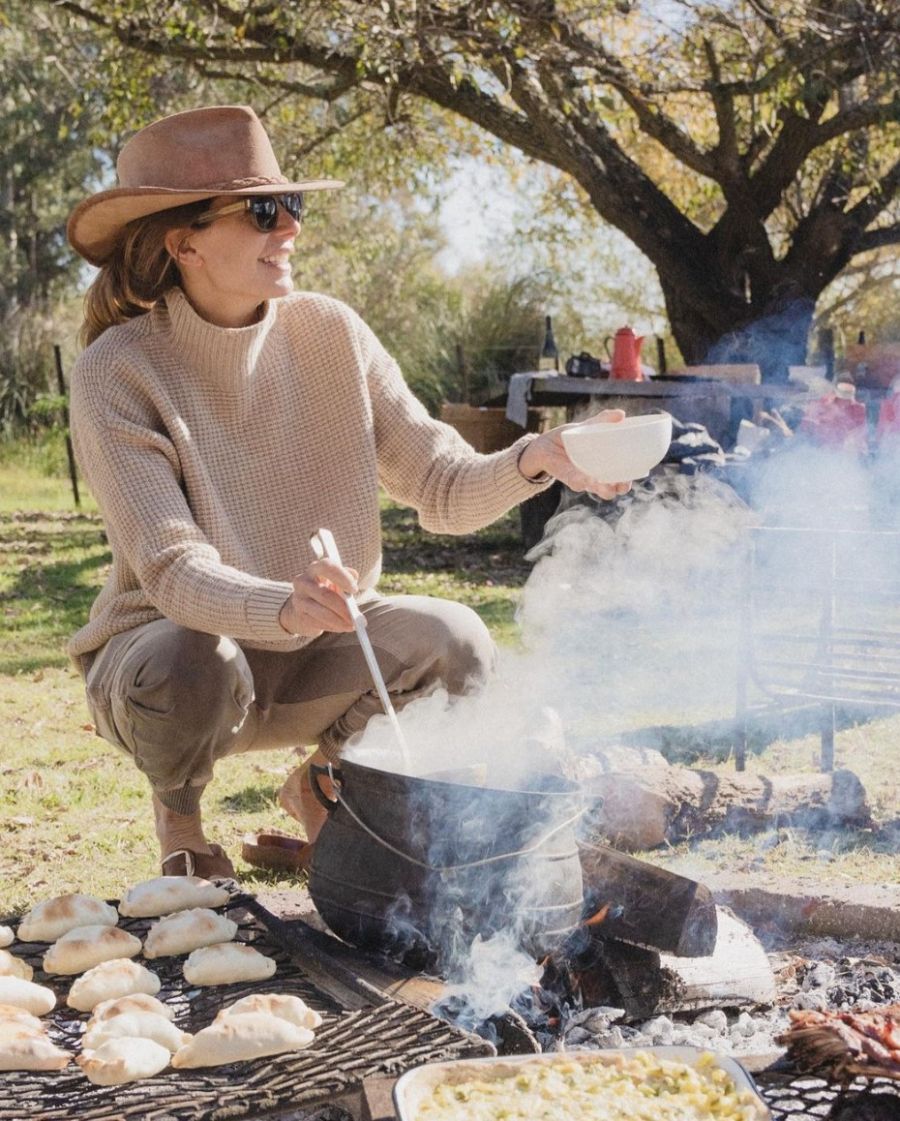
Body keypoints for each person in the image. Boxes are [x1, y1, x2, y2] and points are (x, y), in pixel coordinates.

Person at [65, 105, 631, 880]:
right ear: (185, 243)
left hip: (313, 650)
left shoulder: (331, 332)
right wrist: (281, 602)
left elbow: (441, 483)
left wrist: (538, 457)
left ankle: (323, 782)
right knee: (191, 655)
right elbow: (171, 569)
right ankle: (182, 818)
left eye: (292, 206)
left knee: (457, 639)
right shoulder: (116, 370)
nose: (289, 228)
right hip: (166, 662)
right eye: (264, 211)